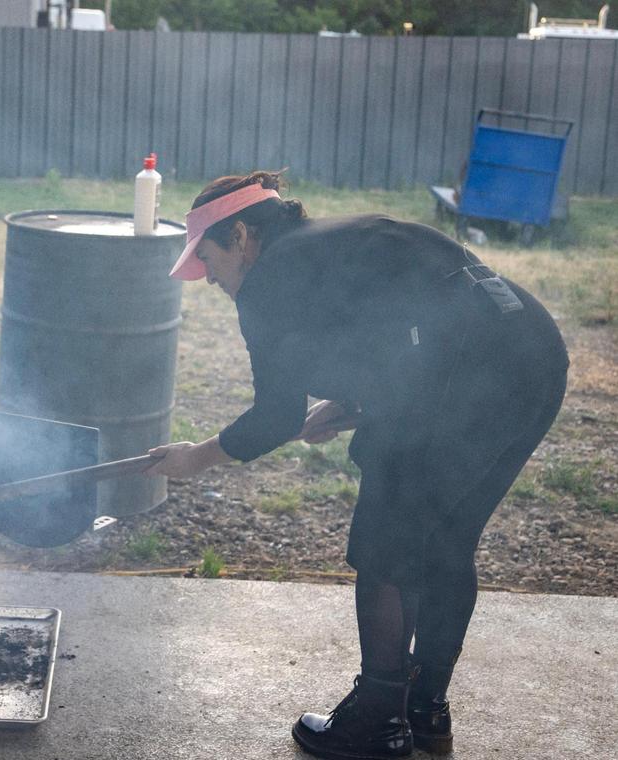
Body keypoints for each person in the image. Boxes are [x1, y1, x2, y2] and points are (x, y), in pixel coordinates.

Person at [144, 171, 568, 760]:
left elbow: (275, 414)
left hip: (465, 370)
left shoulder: (270, 279)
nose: (208, 276)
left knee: (387, 547)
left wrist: (198, 456)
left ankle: (376, 720)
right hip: (532, 355)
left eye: (209, 258)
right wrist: (347, 407)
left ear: (240, 235)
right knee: (445, 542)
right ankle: (423, 711)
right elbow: (395, 327)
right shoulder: (329, 243)